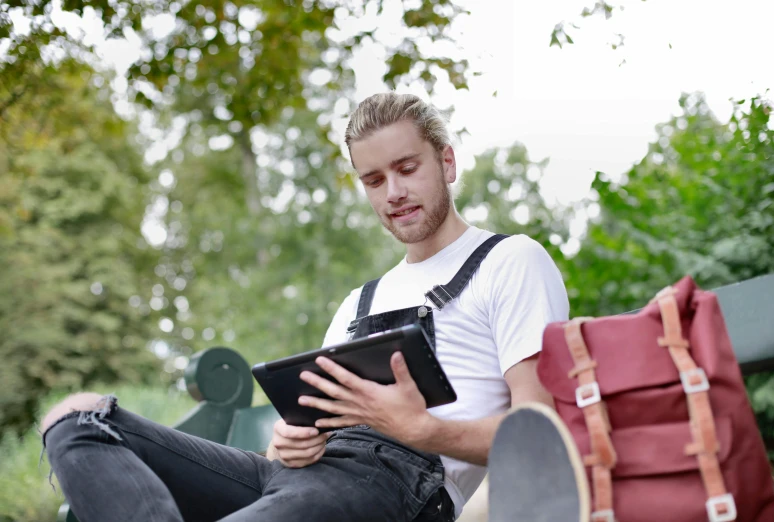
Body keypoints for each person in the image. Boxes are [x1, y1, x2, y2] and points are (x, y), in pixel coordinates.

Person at [40, 92, 569, 522]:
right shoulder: (358, 303)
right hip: (296, 480)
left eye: (407, 168)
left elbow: (541, 433)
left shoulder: (510, 261)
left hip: (400, 488)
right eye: (374, 180)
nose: (394, 193)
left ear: (447, 162)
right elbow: (300, 440)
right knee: (77, 417)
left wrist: (419, 430)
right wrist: (288, 444)